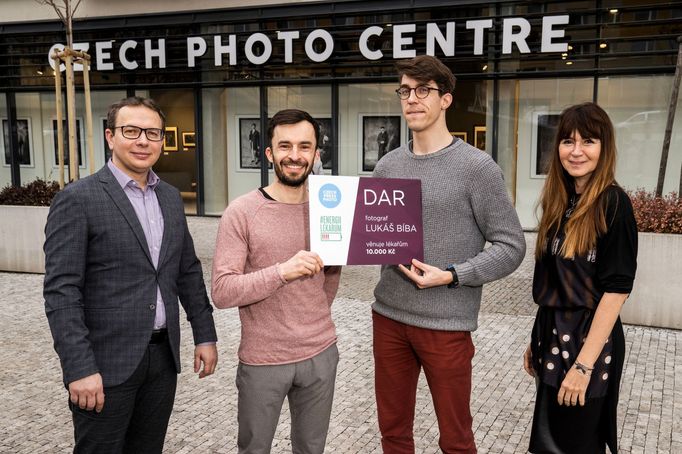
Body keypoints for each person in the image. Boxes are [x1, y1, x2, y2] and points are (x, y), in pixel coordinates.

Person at [43, 96, 218, 454]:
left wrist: (205, 334)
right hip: (105, 364)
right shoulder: (78, 199)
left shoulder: (169, 197)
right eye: (131, 131)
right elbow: (62, 292)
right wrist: (78, 369)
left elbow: (187, 270)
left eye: (152, 133)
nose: (143, 140)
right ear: (110, 136)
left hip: (162, 361)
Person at [371, 55, 525, 453]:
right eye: (405, 91)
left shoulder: (477, 168)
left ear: (446, 100)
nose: (412, 99)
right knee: (392, 431)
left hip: (447, 324)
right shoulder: (387, 166)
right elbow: (376, 237)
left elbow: (512, 245)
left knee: (456, 438)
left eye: (424, 90)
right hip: (388, 316)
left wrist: (453, 274)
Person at [212, 109, 341, 454]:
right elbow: (222, 291)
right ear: (269, 153)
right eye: (285, 146)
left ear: (317, 154)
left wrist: (309, 315)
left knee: (311, 449)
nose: (294, 156)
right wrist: (282, 272)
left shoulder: (330, 210)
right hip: (263, 360)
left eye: (304, 147)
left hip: (321, 353)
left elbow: (329, 278)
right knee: (254, 449)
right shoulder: (242, 211)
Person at [523, 102, 638, 453]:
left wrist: (584, 366)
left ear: (604, 148)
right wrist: (536, 338)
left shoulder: (613, 204)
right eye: (567, 141)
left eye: (587, 141)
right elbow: (555, 283)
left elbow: (616, 292)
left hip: (589, 345)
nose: (575, 151)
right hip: (553, 337)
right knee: (550, 441)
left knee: (577, 443)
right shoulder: (562, 202)